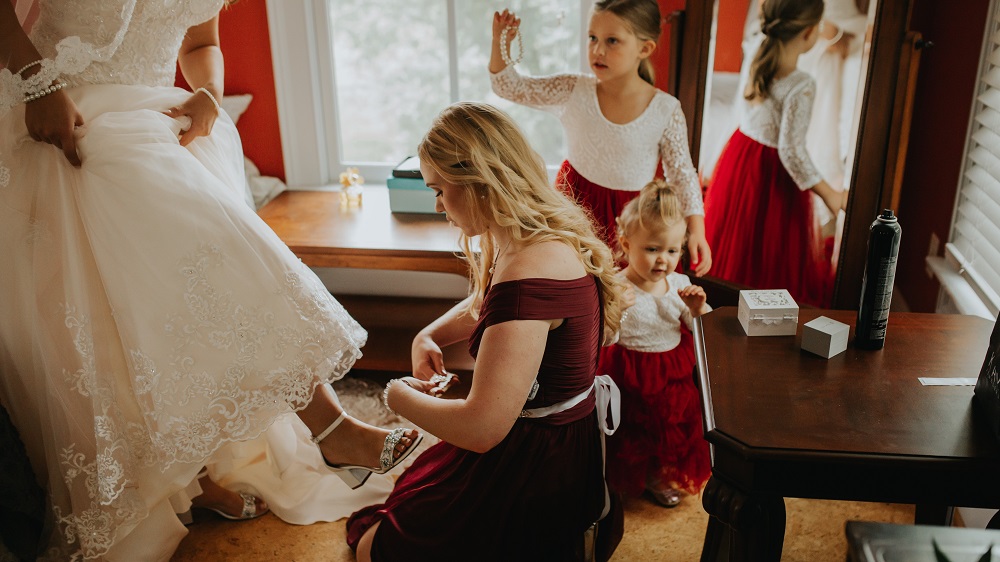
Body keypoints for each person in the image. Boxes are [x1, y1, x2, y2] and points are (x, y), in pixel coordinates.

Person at [0, 1, 421, 560]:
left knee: (169, 305)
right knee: (165, 286)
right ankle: (325, 431)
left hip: (154, 121)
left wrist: (209, 94)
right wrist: (35, 83)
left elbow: (200, 46)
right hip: (63, 114)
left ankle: (200, 477)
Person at [345, 101, 625, 561]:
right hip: (563, 440)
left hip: (537, 463)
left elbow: (481, 429)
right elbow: (489, 305)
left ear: (478, 181)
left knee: (374, 548)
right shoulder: (539, 235)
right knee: (410, 499)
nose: (437, 205)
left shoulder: (527, 275)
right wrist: (428, 335)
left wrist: (395, 398)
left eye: (439, 190)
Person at [489, 0, 712, 277]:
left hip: (633, 220)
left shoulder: (665, 109)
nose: (598, 50)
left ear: (644, 49)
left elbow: (681, 174)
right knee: (572, 285)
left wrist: (697, 230)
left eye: (612, 41)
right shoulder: (573, 89)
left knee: (625, 299)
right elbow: (509, 86)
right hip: (575, 206)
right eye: (592, 38)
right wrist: (500, 41)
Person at [703, 0, 845, 308]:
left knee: (739, 239)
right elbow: (791, 152)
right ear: (810, 32)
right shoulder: (802, 84)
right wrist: (830, 195)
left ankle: (724, 300)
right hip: (772, 173)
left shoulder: (757, 49)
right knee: (768, 249)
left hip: (741, 156)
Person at [599, 179, 712, 509]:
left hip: (672, 372)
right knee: (632, 432)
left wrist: (697, 308)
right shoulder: (618, 287)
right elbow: (605, 339)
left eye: (672, 251)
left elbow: (702, 328)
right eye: (652, 249)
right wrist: (615, 310)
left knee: (669, 430)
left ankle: (660, 474)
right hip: (629, 371)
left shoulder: (680, 284)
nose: (663, 260)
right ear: (626, 243)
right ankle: (633, 475)